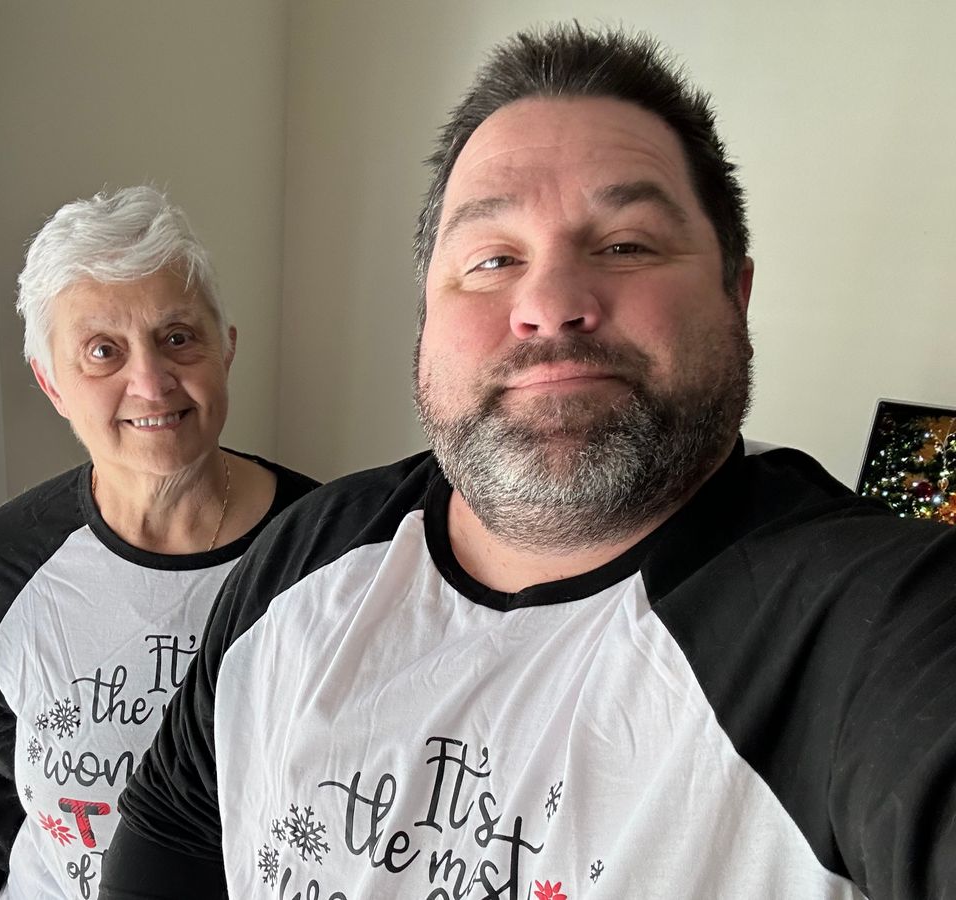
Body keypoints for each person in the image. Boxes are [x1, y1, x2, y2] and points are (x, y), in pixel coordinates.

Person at [100, 26, 956, 900]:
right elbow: (178, 821)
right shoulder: (306, 551)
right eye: (493, 259)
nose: (549, 305)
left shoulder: (877, 625)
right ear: (427, 315)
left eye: (625, 245)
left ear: (734, 295)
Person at [0, 186, 318, 900]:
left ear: (227, 348)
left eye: (178, 337)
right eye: (102, 351)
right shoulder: (2, 563)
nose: (150, 381)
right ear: (52, 384)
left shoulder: (331, 550)